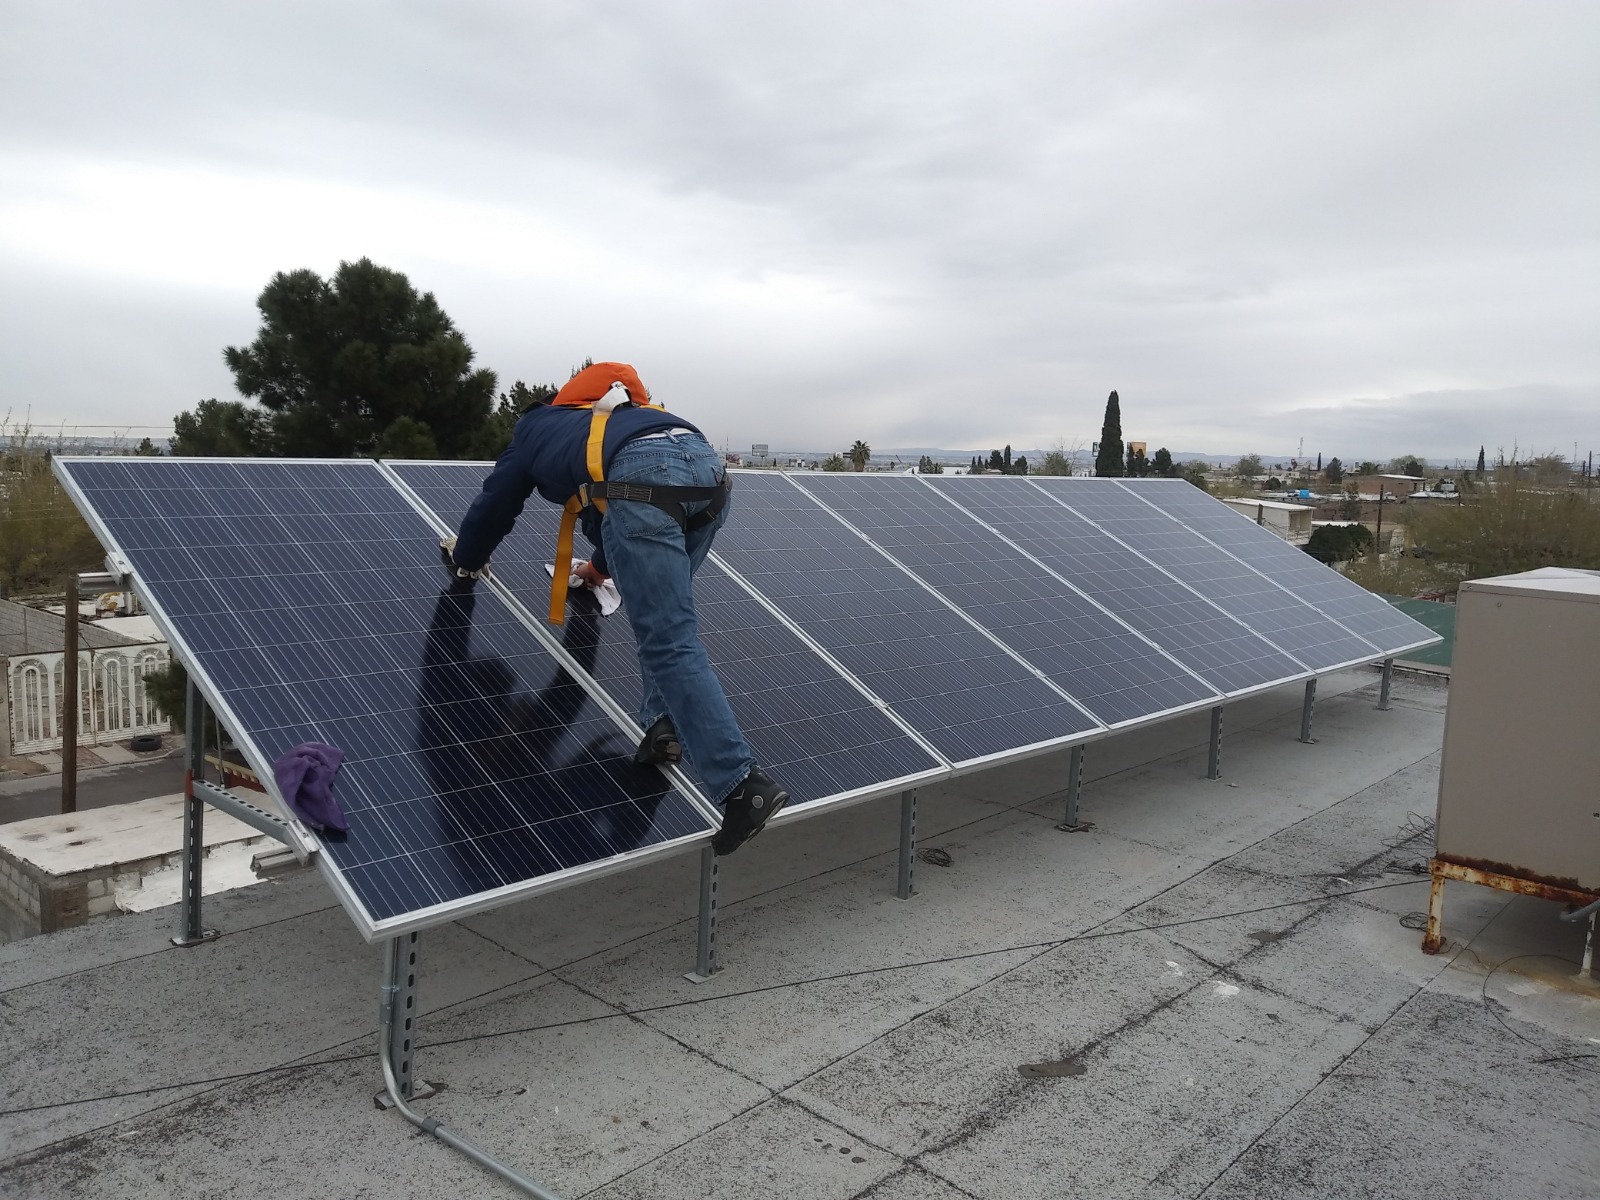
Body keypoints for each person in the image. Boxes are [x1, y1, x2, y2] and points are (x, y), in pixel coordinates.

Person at [443, 361, 789, 855]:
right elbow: (616, 502)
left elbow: (497, 504)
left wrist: (466, 560)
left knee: (669, 640)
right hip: (709, 474)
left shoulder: (535, 426)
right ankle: (662, 727)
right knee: (663, 621)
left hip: (643, 483)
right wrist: (599, 569)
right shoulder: (623, 418)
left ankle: (743, 788)